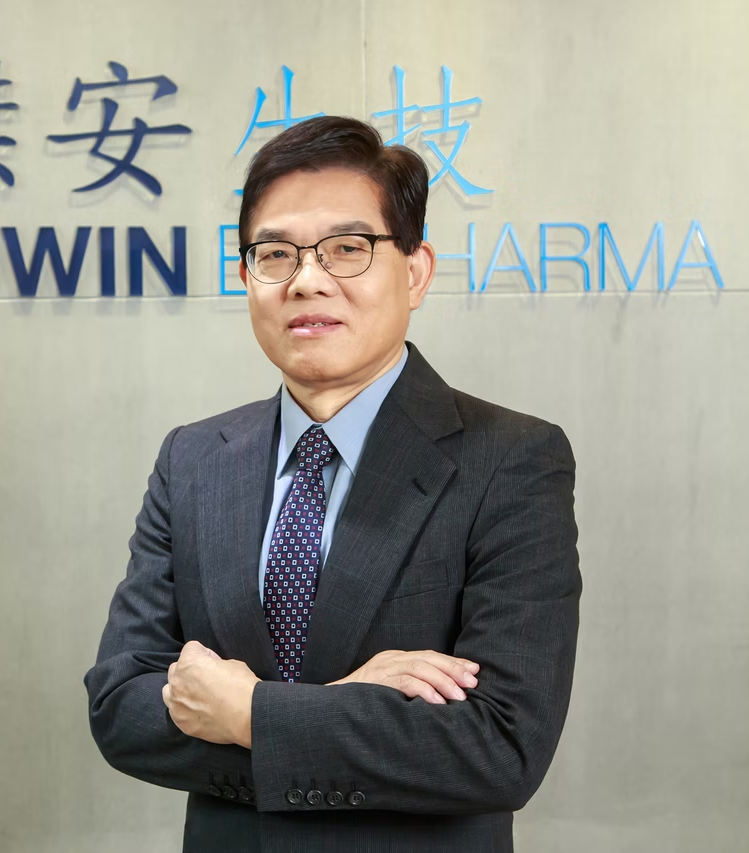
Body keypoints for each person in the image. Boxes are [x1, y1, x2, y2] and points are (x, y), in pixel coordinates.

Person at [84, 115, 581, 853]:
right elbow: (122, 707)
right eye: (275, 254)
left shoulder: (510, 459)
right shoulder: (193, 459)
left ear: (415, 271)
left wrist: (250, 712)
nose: (307, 279)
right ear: (247, 276)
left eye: (348, 248)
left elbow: (500, 745)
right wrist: (338, 709)